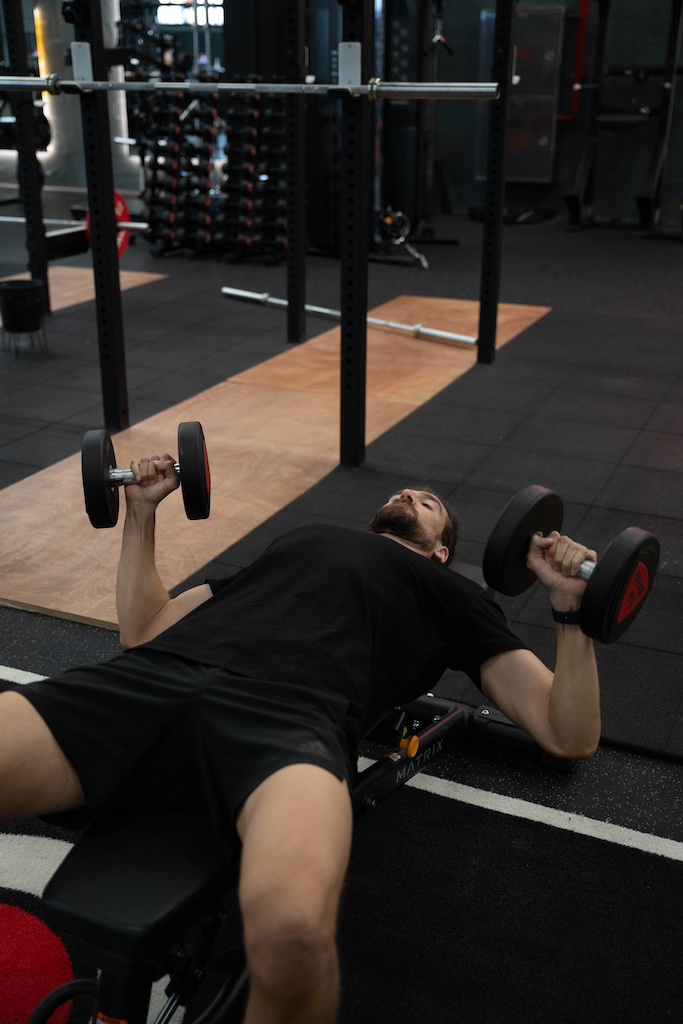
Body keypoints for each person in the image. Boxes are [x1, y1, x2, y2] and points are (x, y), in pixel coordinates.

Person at [0, 454, 600, 1024]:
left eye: (429, 501)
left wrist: (570, 607)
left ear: (441, 551)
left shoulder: (454, 595)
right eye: (406, 491)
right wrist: (142, 510)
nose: (410, 493)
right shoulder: (302, 541)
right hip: (154, 676)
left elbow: (567, 732)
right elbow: (143, 628)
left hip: (291, 718)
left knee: (295, 940)